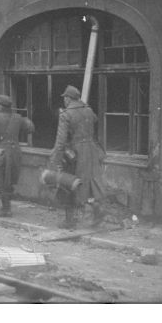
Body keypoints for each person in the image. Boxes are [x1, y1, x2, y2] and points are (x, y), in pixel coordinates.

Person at [49, 85, 105, 229]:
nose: (64, 101)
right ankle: (97, 209)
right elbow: (95, 119)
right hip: (91, 151)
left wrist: (53, 162)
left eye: (65, 98)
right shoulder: (88, 110)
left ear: (68, 98)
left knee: (67, 182)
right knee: (89, 183)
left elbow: (60, 142)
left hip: (74, 153)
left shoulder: (66, 114)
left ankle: (69, 220)